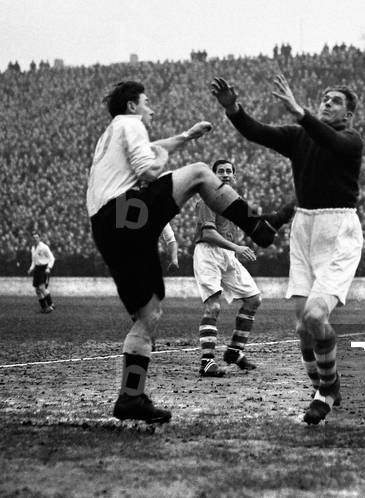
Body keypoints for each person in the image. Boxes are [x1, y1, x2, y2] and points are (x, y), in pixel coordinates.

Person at [86, 80, 286, 425]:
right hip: (123, 212)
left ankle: (131, 398)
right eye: (147, 102)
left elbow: (153, 147)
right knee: (198, 173)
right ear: (133, 105)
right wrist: (164, 157)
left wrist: (186, 136)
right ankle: (259, 227)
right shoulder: (131, 123)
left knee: (148, 316)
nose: (151, 109)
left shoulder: (114, 132)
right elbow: (149, 168)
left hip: (108, 226)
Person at [210, 74, 363, 425]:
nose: (327, 102)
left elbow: (332, 143)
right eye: (324, 97)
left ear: (349, 114)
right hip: (304, 228)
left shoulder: (351, 141)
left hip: (338, 231)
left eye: (335, 100)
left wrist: (300, 112)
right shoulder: (299, 136)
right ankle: (326, 384)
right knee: (302, 328)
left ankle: (324, 392)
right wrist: (233, 109)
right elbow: (256, 131)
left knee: (314, 317)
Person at [192, 158, 264, 378]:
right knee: (213, 307)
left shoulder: (236, 202)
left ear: (235, 176)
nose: (224, 174)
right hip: (208, 253)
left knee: (253, 299)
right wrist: (237, 247)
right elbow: (208, 233)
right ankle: (207, 362)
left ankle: (234, 351)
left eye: (228, 171)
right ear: (213, 176)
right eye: (220, 171)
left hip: (228, 255)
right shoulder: (207, 199)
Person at [27, 232, 56, 313]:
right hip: (37, 269)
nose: (35, 239)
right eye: (34, 238)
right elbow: (34, 261)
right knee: (37, 290)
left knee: (42, 288)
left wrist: (49, 268)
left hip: (44, 269)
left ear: (39, 238)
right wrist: (31, 269)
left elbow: (52, 258)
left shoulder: (44, 247)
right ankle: (44, 307)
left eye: (37, 237)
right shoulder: (33, 248)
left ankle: (51, 305)